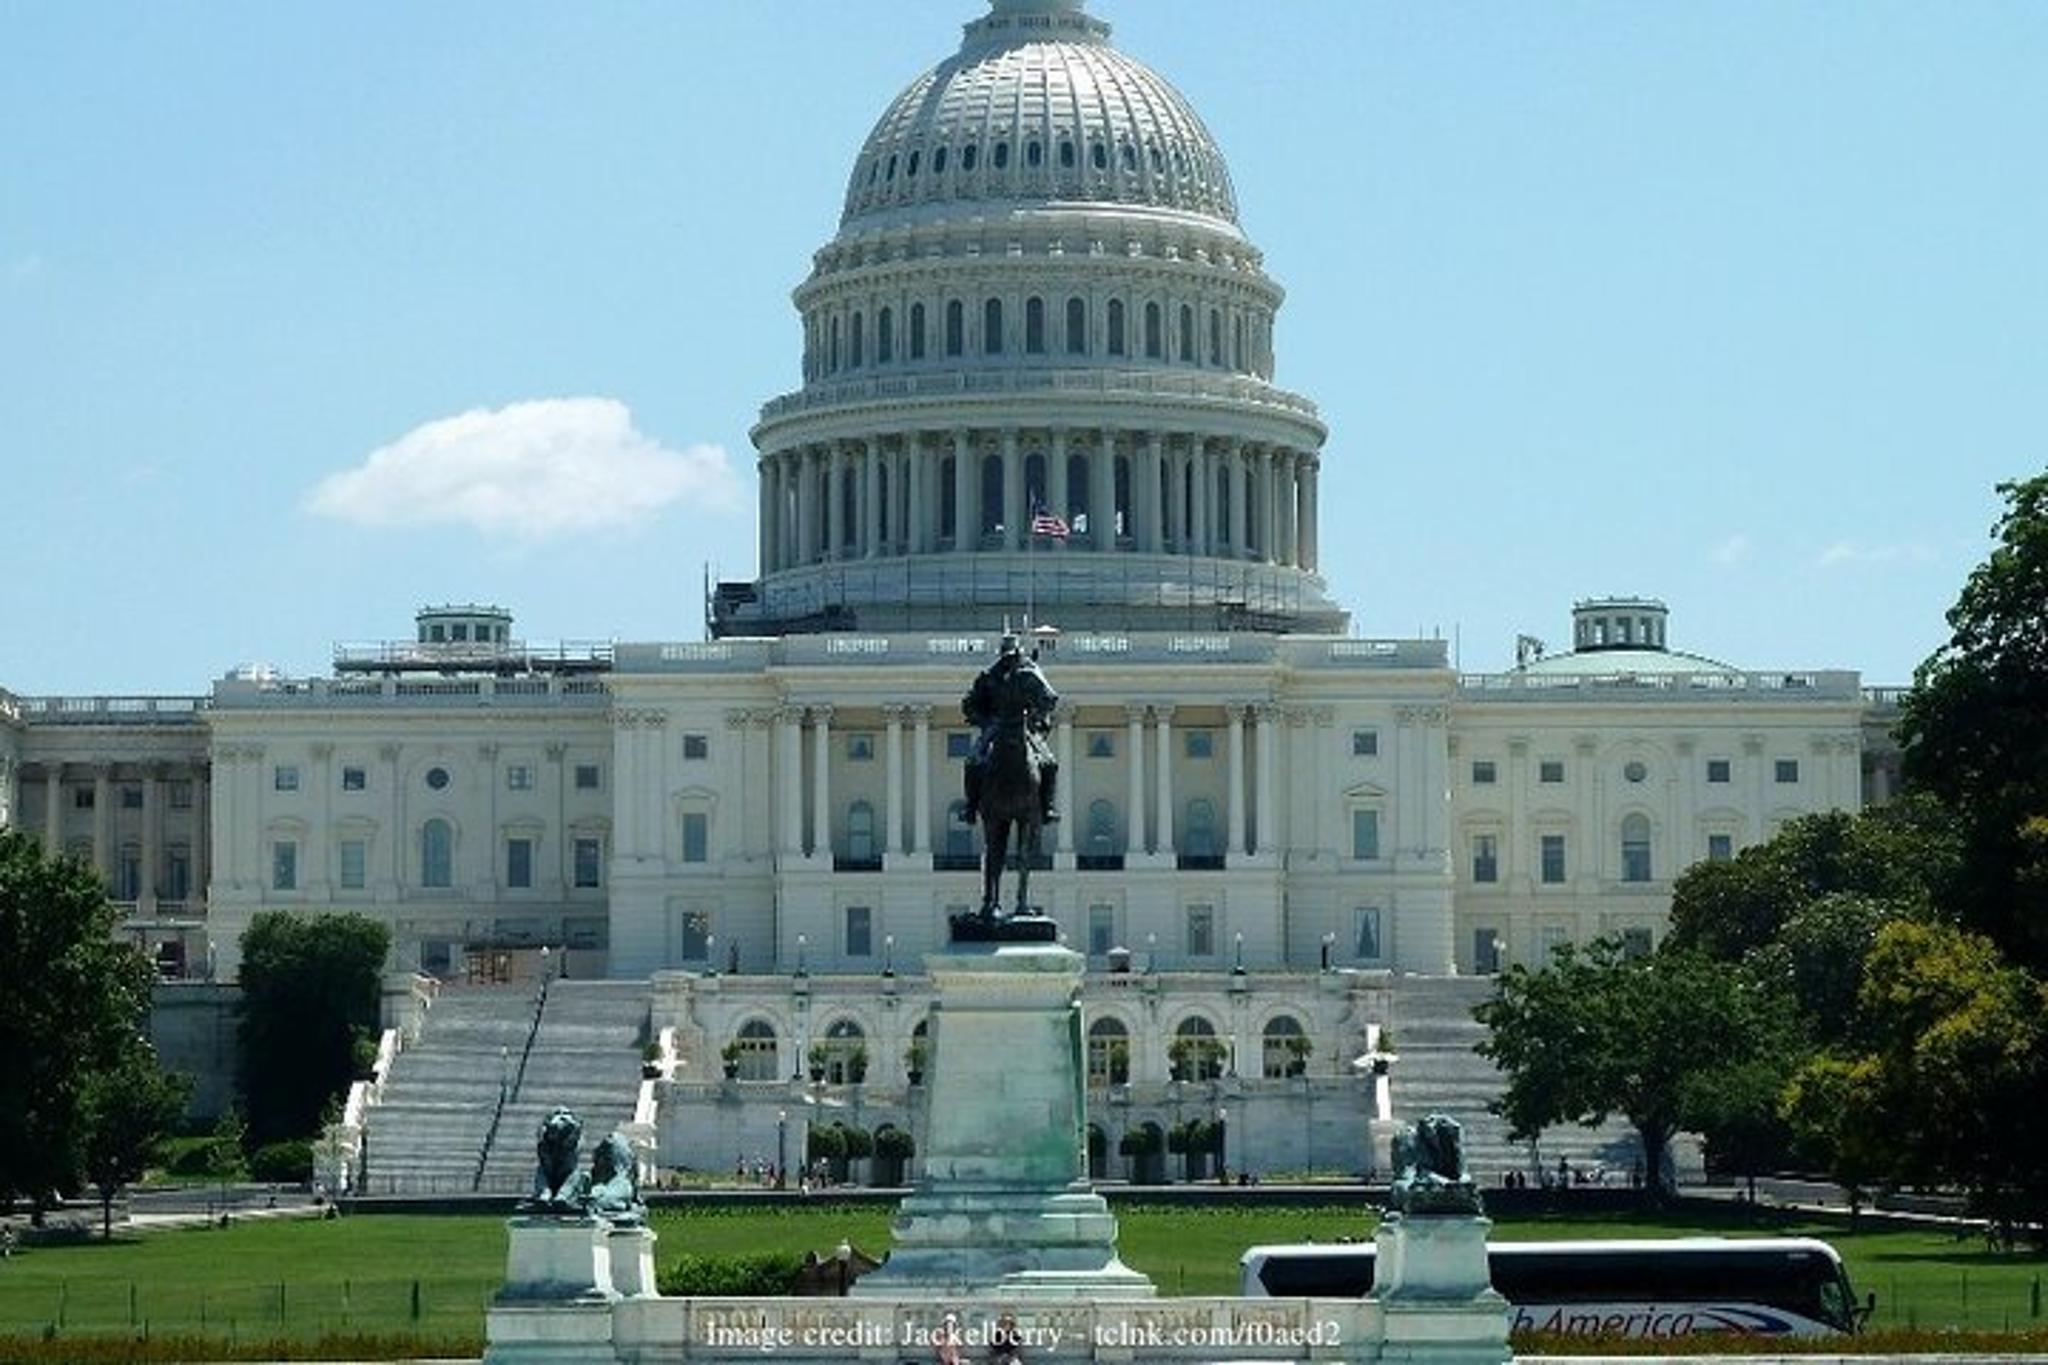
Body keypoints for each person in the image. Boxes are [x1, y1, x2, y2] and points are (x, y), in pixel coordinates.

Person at [960, 633, 1059, 826]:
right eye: (1007, 657)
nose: (1011, 661)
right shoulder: (988, 677)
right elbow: (970, 704)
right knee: (972, 762)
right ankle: (970, 807)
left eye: (1013, 657)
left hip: (1026, 726)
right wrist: (983, 720)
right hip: (995, 726)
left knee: (1050, 763)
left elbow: (1047, 700)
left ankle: (1047, 805)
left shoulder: (1030, 674)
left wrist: (1037, 719)